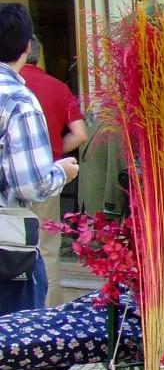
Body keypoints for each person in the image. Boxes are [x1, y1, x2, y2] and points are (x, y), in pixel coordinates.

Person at [0, 4, 80, 370]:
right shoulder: (18, 97)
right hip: (7, 250)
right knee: (24, 347)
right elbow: (31, 184)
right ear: (27, 47)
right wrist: (64, 173)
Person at [22, 36, 88, 307]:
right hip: (48, 175)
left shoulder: (9, 88)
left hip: (8, 184)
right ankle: (48, 315)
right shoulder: (58, 87)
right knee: (47, 249)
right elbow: (81, 134)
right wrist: (54, 152)